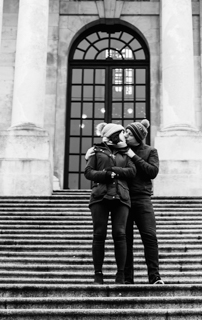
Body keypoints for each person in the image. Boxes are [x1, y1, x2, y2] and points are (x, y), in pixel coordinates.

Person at [84, 122, 136, 284]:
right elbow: (88, 172)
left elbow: (132, 171)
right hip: (100, 196)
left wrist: (114, 171)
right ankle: (98, 274)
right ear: (114, 134)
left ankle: (120, 274)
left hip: (121, 197)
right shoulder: (96, 151)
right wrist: (105, 175)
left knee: (120, 234)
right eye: (121, 133)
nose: (124, 135)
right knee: (99, 234)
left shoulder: (126, 152)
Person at [122, 119, 163, 285]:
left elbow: (152, 172)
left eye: (129, 133)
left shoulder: (150, 151)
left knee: (150, 237)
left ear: (138, 136)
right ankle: (127, 279)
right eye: (125, 131)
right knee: (125, 240)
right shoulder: (120, 150)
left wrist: (133, 156)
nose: (125, 134)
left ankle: (155, 277)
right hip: (124, 199)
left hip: (143, 198)